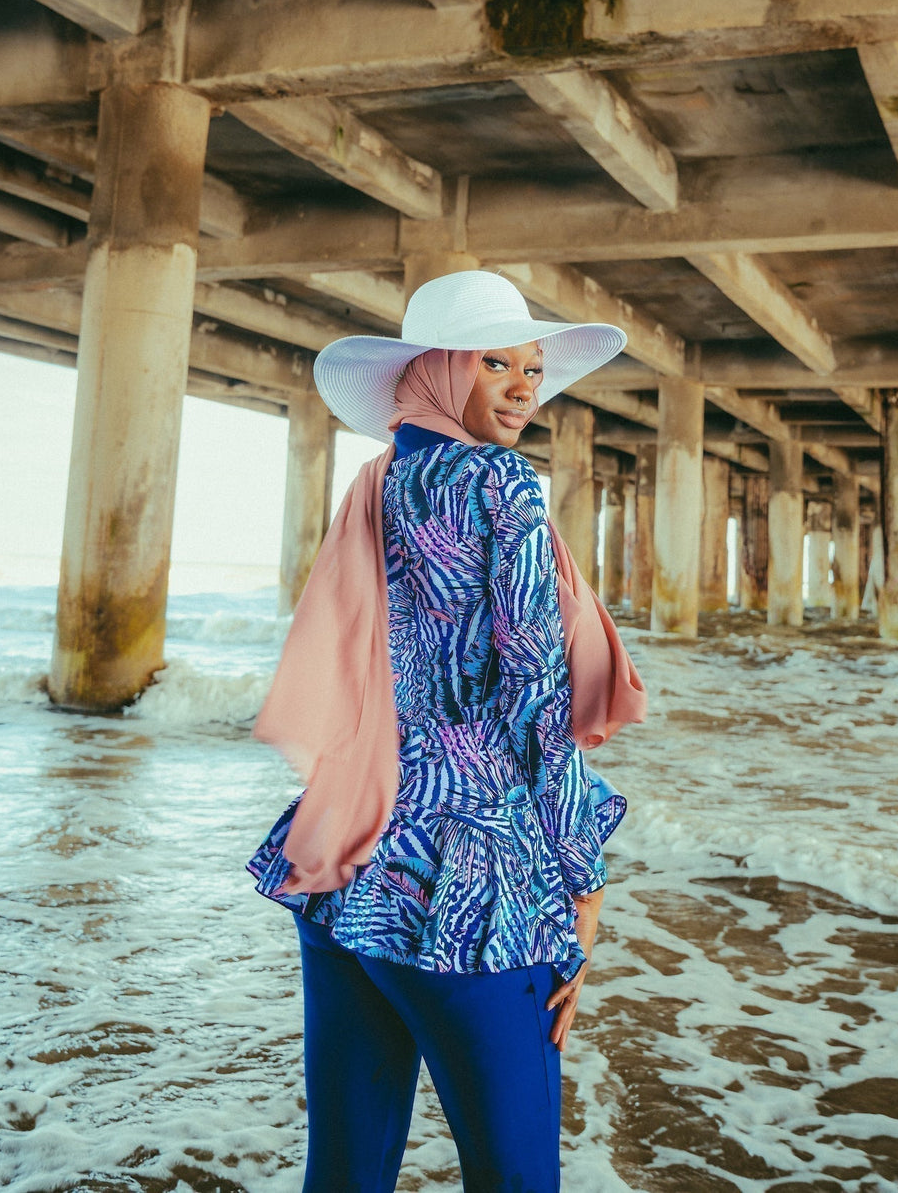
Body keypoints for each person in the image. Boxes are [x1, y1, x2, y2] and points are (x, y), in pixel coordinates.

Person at [246, 270, 647, 1193]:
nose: (521, 386)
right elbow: (535, 700)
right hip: (472, 890)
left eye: (532, 368)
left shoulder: (382, 481)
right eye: (495, 362)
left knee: (344, 1172)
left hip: (347, 872)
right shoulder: (501, 482)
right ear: (439, 370)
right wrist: (580, 886)